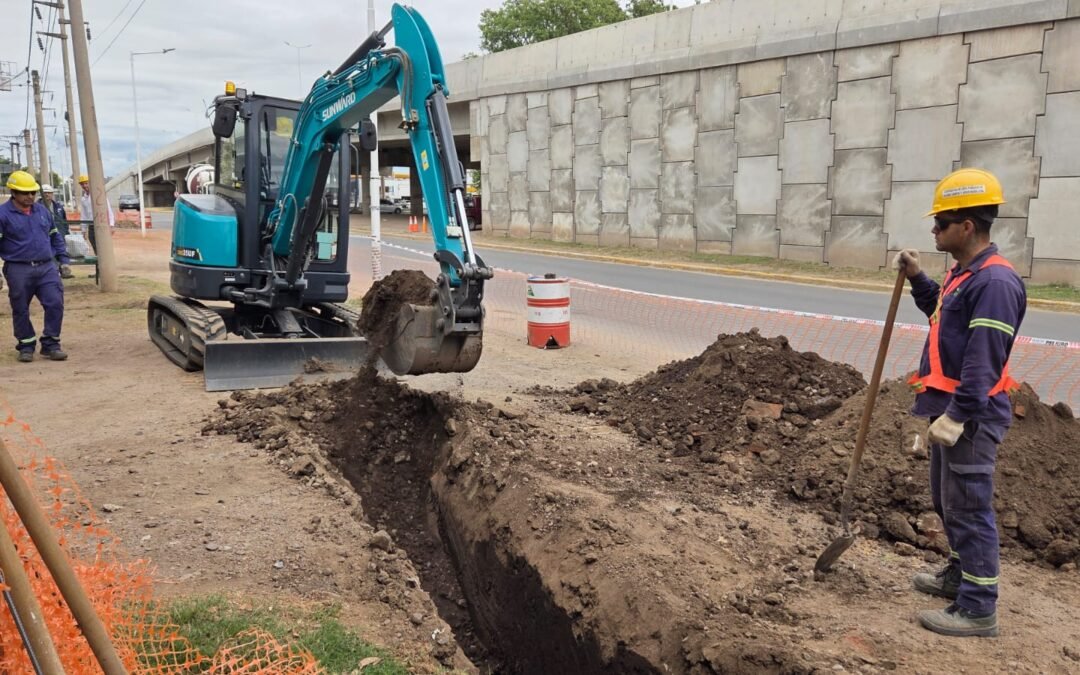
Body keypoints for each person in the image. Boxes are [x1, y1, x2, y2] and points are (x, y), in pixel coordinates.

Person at [893, 168, 1026, 639]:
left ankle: (978, 607)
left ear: (967, 225)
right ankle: (959, 576)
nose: (934, 230)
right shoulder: (965, 275)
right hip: (949, 409)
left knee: (969, 508)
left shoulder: (995, 284)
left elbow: (983, 363)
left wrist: (957, 415)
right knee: (947, 503)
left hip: (969, 415)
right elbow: (939, 314)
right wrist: (918, 278)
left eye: (941, 222)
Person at [0, 170, 71, 362]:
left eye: (33, 192)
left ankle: (50, 344)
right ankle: (26, 345)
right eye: (25, 193)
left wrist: (63, 260)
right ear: (13, 192)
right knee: (20, 308)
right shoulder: (2, 214)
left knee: (55, 302)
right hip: (18, 269)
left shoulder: (42, 211)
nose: (30, 196)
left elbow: (55, 235)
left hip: (46, 267)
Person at [78, 173, 114, 253]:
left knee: (103, 249)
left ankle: (104, 265)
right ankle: (98, 265)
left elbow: (108, 209)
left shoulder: (99, 195)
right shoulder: (83, 199)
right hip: (91, 226)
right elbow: (84, 215)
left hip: (101, 225)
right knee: (96, 249)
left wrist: (111, 225)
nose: (84, 186)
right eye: (82, 184)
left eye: (86, 183)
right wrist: (83, 230)